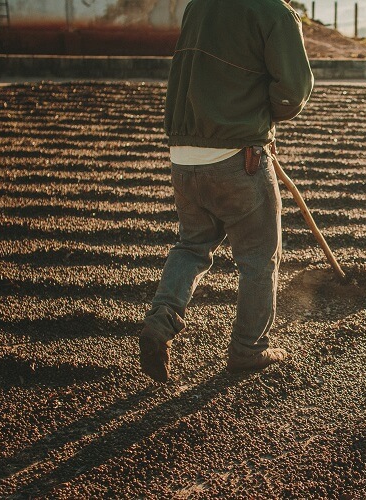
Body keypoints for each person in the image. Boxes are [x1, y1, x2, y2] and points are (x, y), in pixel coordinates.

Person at [138, 0, 313, 383]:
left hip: (184, 156)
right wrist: (259, 120)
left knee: (191, 245)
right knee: (258, 258)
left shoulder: (199, 5)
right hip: (238, 156)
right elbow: (294, 90)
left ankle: (161, 321)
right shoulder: (274, 13)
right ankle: (249, 349)